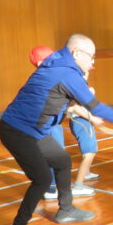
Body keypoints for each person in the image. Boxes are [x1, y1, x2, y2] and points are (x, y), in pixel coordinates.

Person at [0, 34, 113, 225]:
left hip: (34, 130)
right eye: (91, 57)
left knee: (62, 160)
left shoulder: (60, 63)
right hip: (18, 130)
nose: (93, 62)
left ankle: (66, 210)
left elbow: (58, 95)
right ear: (76, 53)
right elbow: (96, 106)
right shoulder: (66, 72)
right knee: (42, 179)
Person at [28, 46, 99, 201]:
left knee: (54, 156)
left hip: (50, 124)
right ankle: (54, 189)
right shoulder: (49, 79)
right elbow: (69, 104)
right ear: (42, 63)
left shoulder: (45, 78)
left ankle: (52, 188)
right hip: (48, 125)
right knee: (56, 156)